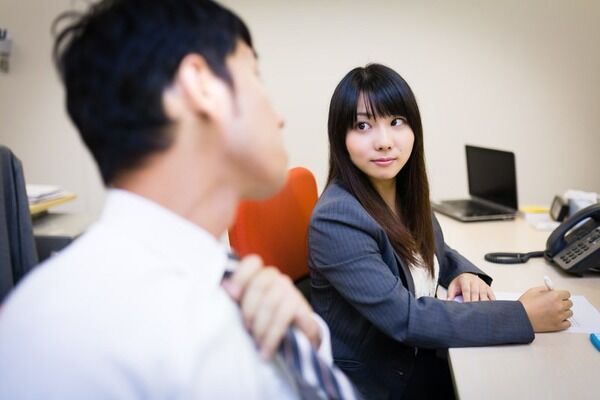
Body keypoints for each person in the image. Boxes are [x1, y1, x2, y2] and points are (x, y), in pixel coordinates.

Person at [0, 1, 335, 398]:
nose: (278, 115)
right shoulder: (59, 333)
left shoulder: (232, 281)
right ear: (200, 85)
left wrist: (308, 342)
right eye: (255, 75)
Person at [308, 63, 574, 400]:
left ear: (413, 128)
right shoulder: (338, 218)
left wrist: (464, 273)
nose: (384, 142)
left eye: (396, 122)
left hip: (414, 358)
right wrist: (522, 316)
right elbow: (405, 318)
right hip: (378, 382)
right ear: (340, 137)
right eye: (363, 125)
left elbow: (437, 251)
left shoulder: (399, 190)